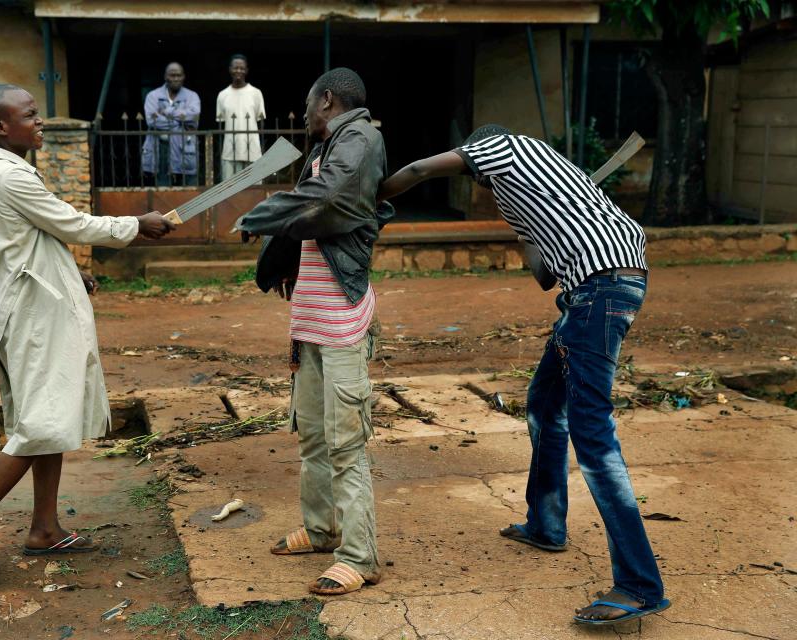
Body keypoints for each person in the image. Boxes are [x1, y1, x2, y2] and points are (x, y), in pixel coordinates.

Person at [378, 125, 669, 626]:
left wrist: (370, 195)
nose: (479, 183)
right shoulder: (535, 193)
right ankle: (547, 523)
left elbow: (421, 169)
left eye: (475, 170)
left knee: (593, 435)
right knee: (543, 403)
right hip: (591, 291)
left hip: (601, 290)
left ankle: (640, 585)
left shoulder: (506, 146)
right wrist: (529, 229)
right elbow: (543, 277)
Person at [0, 84, 175, 580]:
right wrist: (137, 224)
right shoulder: (6, 175)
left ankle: (43, 527)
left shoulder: (5, 170)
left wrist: (71, 270)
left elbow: (33, 235)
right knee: (41, 424)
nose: (39, 122)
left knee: (49, 417)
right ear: (1, 127)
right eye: (30, 115)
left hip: (32, 306)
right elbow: (71, 223)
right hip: (32, 316)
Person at [235, 67, 393, 596]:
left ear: (326, 99)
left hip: (342, 324)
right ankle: (323, 530)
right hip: (310, 323)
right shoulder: (325, 148)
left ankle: (360, 555)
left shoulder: (361, 138)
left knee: (346, 444)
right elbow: (314, 220)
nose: (303, 114)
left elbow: (328, 201)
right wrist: (283, 261)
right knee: (313, 437)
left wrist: (260, 215)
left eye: (307, 103)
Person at [142, 62, 201, 187]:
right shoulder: (153, 96)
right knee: (163, 191)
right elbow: (152, 121)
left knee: (188, 190)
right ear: (165, 77)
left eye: (179, 75)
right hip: (161, 149)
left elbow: (194, 116)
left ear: (183, 76)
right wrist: (180, 121)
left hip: (185, 148)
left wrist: (167, 112)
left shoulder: (192, 96)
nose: (176, 79)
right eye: (172, 75)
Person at [216, 54, 266, 181]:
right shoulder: (222, 95)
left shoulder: (256, 93)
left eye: (242, 68)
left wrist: (259, 147)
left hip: (253, 152)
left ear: (246, 70)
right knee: (229, 194)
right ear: (230, 69)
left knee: (254, 192)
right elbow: (221, 125)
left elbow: (261, 123)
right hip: (229, 153)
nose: (238, 71)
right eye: (235, 68)